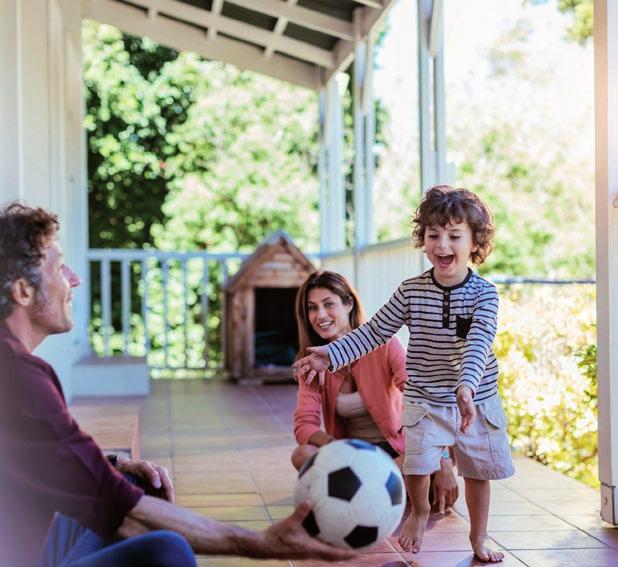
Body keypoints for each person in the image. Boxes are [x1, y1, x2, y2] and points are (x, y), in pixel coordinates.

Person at [0, 202, 356, 567]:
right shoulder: (19, 379)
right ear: (23, 291)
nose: (73, 278)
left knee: (136, 483)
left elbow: (34, 456)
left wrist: (112, 462)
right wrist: (259, 542)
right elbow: (123, 510)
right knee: (167, 550)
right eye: (59, 267)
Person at [293, 185, 515, 563]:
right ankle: (419, 511)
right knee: (417, 462)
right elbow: (374, 332)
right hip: (425, 396)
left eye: (454, 235)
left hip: (474, 397)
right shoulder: (411, 291)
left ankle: (479, 537)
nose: (442, 244)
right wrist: (328, 356)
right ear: (423, 240)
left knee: (478, 472)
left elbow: (479, 343)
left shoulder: (484, 295)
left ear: (475, 242)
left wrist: (466, 385)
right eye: (433, 235)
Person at [291, 270, 459, 514]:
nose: (320, 315)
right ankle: (373, 491)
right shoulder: (313, 362)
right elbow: (304, 426)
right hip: (352, 453)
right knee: (302, 454)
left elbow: (420, 399)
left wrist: (443, 459)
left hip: (398, 451)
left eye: (329, 304)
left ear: (349, 304)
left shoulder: (386, 345)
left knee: (408, 466)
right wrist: (341, 449)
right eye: (312, 308)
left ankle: (364, 491)